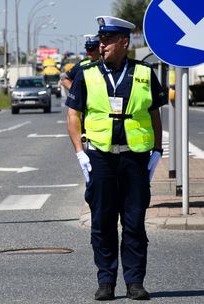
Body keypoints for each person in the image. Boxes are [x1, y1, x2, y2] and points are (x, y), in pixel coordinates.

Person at [66, 16, 167, 301]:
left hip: (135, 159)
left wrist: (157, 151)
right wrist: (79, 153)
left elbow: (154, 114)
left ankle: (135, 282)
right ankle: (106, 282)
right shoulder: (87, 74)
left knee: (134, 222)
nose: (102, 44)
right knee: (103, 222)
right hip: (100, 158)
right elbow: (73, 114)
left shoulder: (145, 73)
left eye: (108, 40)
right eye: (101, 40)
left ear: (124, 42)